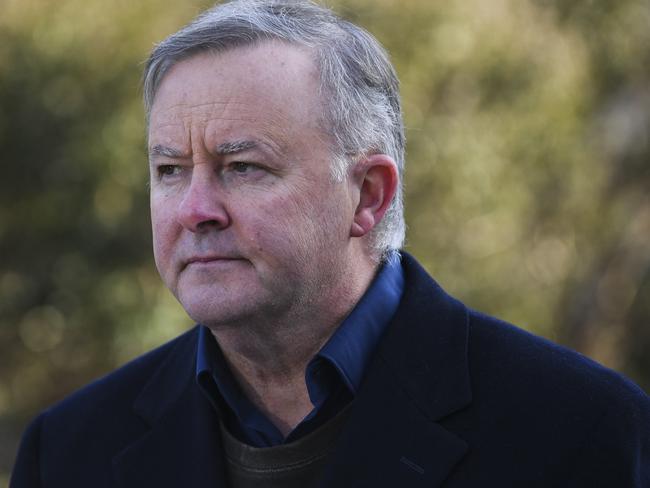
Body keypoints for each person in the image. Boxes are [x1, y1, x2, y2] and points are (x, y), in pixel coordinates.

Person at [11, 1, 649, 486]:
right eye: (170, 170)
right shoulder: (69, 452)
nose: (195, 210)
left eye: (243, 167)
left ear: (368, 194)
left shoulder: (583, 432)